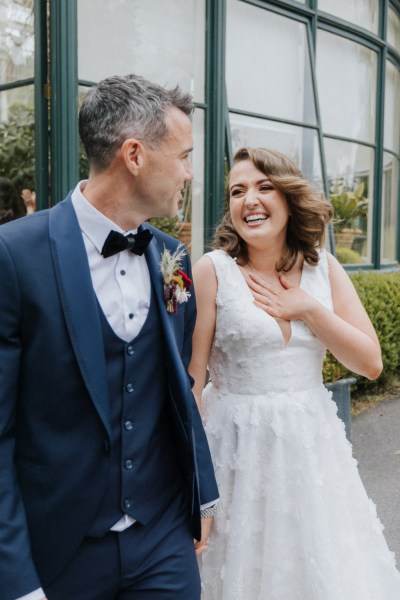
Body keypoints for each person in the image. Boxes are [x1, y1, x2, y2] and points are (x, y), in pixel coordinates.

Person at [0, 73, 218, 600]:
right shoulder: (13, 254)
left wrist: (202, 495)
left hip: (163, 537)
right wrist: (16, 581)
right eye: (184, 155)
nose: (190, 172)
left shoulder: (174, 257)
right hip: (60, 550)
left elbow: (176, 388)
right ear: (135, 155)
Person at [190, 146, 400, 599]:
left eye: (264, 187)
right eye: (238, 191)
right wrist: (196, 489)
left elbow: (370, 362)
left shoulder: (323, 268)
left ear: (288, 196)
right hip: (234, 454)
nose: (250, 200)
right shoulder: (213, 271)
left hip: (312, 454)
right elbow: (191, 385)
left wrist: (308, 308)